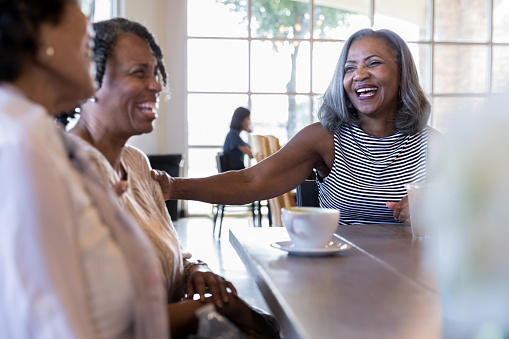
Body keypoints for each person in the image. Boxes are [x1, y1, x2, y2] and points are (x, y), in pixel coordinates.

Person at [56, 17, 280, 339]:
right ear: (90, 82)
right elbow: (103, 322)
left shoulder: (136, 163)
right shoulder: (66, 169)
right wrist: (217, 308)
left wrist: (196, 270)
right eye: (139, 73)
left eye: (155, 72)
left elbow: (168, 250)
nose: (157, 85)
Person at [153, 28, 440, 225]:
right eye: (349, 68)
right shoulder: (325, 139)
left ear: (402, 74)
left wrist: (442, 208)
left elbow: (478, 216)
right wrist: (173, 187)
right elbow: (250, 182)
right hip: (340, 276)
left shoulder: (435, 146)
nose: (359, 75)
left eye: (373, 63)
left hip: (411, 275)